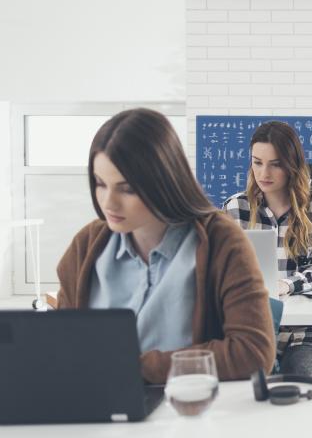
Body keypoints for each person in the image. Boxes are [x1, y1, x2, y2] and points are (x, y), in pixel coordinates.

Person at [56, 108, 275, 384]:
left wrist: (137, 368)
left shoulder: (221, 240)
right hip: (97, 407)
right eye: (100, 184)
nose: (108, 203)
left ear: (163, 182)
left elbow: (253, 353)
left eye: (127, 189)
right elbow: (61, 347)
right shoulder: (87, 246)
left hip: (188, 409)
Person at [222, 121, 312, 375]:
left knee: (298, 374)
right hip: (258, 327)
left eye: (275, 164)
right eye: (257, 162)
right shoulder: (235, 209)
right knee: (246, 380)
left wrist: (287, 285)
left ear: (292, 164)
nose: (263, 173)